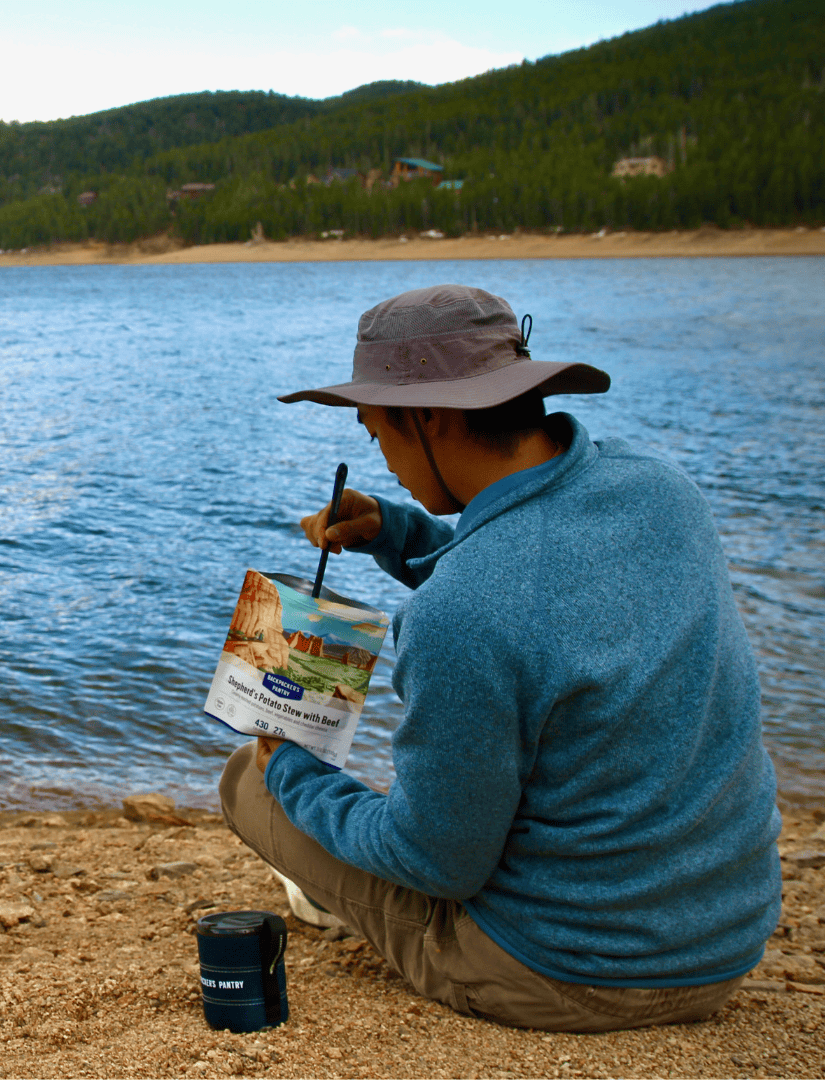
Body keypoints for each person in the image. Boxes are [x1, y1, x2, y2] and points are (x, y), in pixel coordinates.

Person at [218, 284, 781, 1033]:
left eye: (378, 434)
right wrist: (396, 532)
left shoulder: (458, 612)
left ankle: (331, 890)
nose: (386, 462)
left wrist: (286, 763)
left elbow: (436, 862)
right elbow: (542, 587)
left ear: (429, 417)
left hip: (565, 972)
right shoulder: (663, 492)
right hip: (723, 944)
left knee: (251, 782)